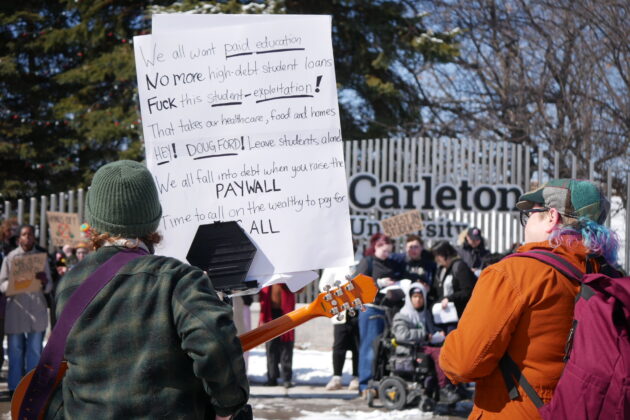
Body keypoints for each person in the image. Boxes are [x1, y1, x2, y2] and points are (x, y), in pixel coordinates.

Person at [44, 160, 249, 419]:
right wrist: (227, 407)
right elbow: (215, 344)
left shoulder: (69, 285)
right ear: (152, 220)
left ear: (94, 220)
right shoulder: (177, 278)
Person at [439, 178, 620, 419]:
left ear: (551, 217)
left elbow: (463, 363)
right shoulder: (610, 278)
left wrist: (449, 346)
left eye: (531, 214)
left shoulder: (514, 273)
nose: (525, 224)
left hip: (517, 410)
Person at [0, 224, 52, 396]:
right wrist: (14, 283)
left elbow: (49, 285)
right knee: (15, 350)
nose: (27, 237)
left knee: (35, 350)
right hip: (16, 309)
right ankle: (14, 387)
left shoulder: (40, 258)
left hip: (36, 310)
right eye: (24, 234)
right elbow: (2, 284)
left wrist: (44, 282)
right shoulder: (10, 258)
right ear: (19, 238)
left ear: (34, 238)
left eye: (30, 234)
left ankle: (32, 386)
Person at [354, 233, 407, 397]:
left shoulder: (391, 263)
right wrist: (378, 283)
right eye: (383, 250)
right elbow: (356, 285)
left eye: (388, 251)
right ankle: (365, 384)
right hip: (371, 309)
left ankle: (381, 381)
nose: (386, 254)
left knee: (384, 349)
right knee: (369, 347)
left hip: (387, 310)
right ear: (375, 246)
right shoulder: (367, 262)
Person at [392, 282, 461, 404]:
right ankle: (444, 388)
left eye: (420, 297)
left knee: (449, 349)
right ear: (409, 298)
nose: (418, 300)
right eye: (415, 297)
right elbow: (401, 335)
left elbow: (431, 329)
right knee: (439, 353)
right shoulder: (402, 315)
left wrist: (438, 333)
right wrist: (423, 335)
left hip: (424, 346)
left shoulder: (425, 314)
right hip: (411, 348)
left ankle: (455, 385)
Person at [319, 263, 360, 391]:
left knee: (357, 345)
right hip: (341, 309)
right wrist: (338, 294)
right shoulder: (334, 264)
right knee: (339, 346)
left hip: (357, 309)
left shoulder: (361, 262)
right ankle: (337, 377)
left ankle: (356, 377)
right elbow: (323, 286)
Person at [429, 241, 476, 334]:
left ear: (445, 253)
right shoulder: (441, 269)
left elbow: (467, 291)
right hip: (443, 317)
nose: (436, 259)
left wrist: (449, 298)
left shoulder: (460, 267)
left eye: (437, 255)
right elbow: (437, 291)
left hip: (458, 317)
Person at [258, 283, 297, 388]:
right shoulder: (268, 279)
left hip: (286, 314)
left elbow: (300, 288)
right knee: (271, 347)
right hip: (269, 314)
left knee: (287, 346)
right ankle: (272, 377)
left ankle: (286, 378)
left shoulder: (288, 278)